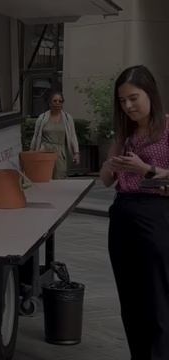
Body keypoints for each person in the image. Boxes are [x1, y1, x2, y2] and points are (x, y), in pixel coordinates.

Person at [99, 65, 169, 359]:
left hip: (155, 214)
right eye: (123, 101)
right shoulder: (125, 133)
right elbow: (105, 180)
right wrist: (111, 166)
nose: (128, 106)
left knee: (157, 297)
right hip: (123, 215)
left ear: (150, 93)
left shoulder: (166, 128)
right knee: (130, 299)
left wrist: (147, 170)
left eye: (133, 98)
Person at [29, 91, 80, 179]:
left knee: (60, 178)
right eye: (55, 101)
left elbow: (72, 136)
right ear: (49, 103)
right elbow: (36, 136)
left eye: (60, 101)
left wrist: (76, 153)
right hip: (44, 151)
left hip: (60, 153)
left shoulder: (68, 118)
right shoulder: (42, 118)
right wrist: (31, 151)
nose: (57, 103)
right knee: (45, 179)